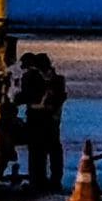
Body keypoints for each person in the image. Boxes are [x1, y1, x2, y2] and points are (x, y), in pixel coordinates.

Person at [12, 52, 52, 192]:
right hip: (42, 117)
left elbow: (27, 95)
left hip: (36, 117)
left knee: (36, 151)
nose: (21, 66)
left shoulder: (30, 76)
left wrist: (15, 101)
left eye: (23, 63)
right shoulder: (40, 76)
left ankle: (37, 181)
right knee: (40, 151)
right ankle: (40, 179)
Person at [36, 53, 67, 192]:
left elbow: (59, 98)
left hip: (48, 118)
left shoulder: (55, 80)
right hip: (48, 118)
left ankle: (50, 180)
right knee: (44, 151)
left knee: (48, 150)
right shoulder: (56, 79)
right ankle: (45, 179)